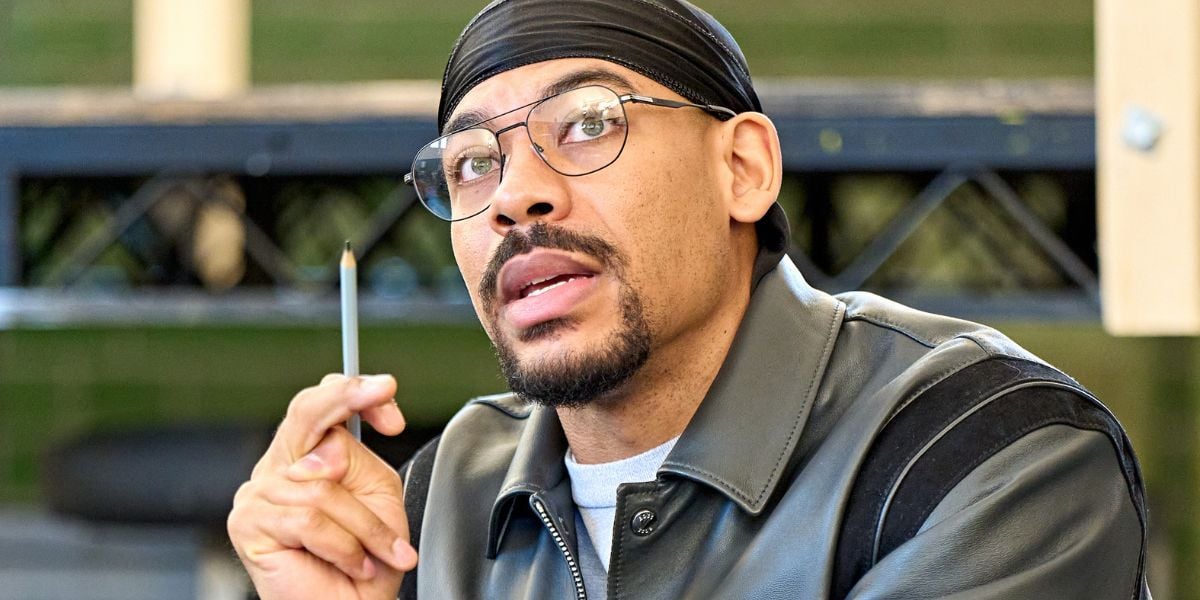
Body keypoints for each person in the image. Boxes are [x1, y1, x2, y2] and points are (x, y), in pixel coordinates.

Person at [227, 1, 1151, 598]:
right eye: (473, 163)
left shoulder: (984, 456)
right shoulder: (448, 500)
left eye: (589, 124)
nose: (513, 194)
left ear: (742, 169)